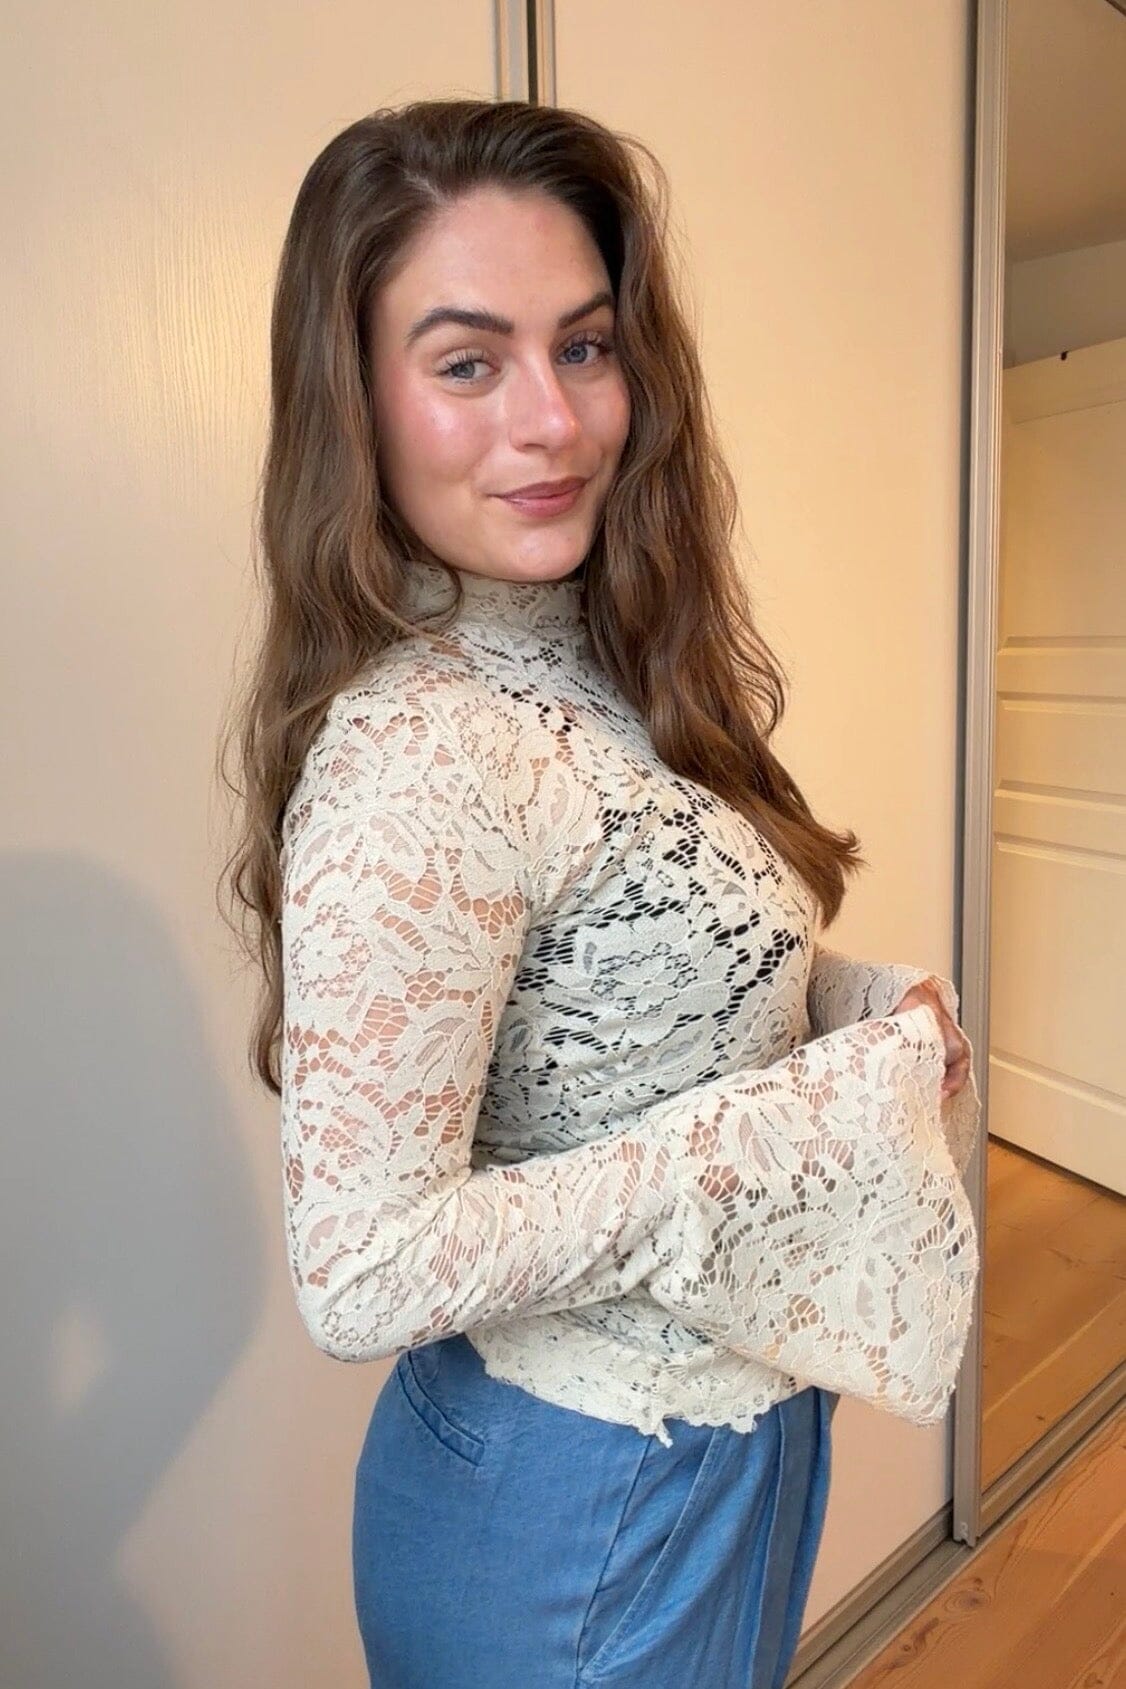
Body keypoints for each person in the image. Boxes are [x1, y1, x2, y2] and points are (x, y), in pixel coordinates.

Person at [221, 98, 980, 1689]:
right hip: (580, 1506)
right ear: (354, 399)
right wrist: (805, 1118)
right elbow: (362, 1267)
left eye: (582, 345)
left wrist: (850, 1004)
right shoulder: (422, 748)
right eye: (466, 362)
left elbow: (637, 988)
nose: (553, 420)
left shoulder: (596, 652)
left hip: (704, 1448)